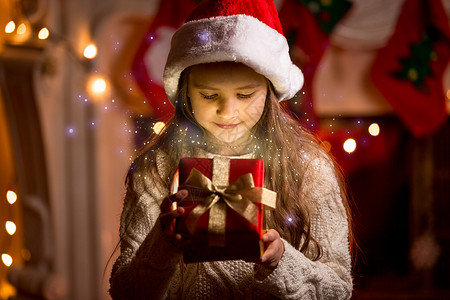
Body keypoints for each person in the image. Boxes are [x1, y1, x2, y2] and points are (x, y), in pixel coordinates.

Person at [109, 0, 354, 299]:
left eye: (245, 94)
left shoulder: (309, 167)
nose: (228, 112)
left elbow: (338, 289)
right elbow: (125, 292)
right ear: (184, 92)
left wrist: (282, 260)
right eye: (209, 94)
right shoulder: (157, 169)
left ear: (270, 91)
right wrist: (162, 248)